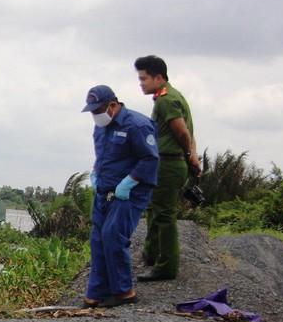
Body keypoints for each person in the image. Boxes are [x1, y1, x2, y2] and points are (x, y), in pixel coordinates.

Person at [81, 85, 159, 308]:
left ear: (113, 105)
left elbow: (150, 159)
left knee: (113, 236)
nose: (96, 115)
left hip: (130, 192)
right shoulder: (100, 128)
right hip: (104, 191)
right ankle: (97, 293)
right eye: (92, 111)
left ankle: (125, 292)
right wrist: (96, 173)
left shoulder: (137, 124)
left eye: (99, 110)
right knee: (97, 241)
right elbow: (103, 155)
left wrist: (128, 182)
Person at [134, 55, 200, 282]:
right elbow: (188, 133)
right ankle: (152, 254)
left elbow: (182, 132)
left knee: (164, 215)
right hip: (168, 161)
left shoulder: (166, 100)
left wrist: (190, 156)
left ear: (158, 77)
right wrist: (192, 155)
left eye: (144, 78)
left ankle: (167, 266)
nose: (141, 83)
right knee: (154, 209)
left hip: (169, 162)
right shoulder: (172, 96)